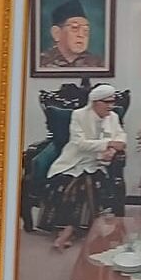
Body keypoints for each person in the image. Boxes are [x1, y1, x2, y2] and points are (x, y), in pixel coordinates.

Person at [40, 83, 127, 249]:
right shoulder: (78, 115)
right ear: (95, 102)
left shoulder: (113, 117)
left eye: (112, 101)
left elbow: (121, 137)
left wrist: (112, 151)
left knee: (89, 183)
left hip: (97, 163)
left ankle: (68, 231)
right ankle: (68, 229)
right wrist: (108, 144)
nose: (111, 106)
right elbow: (79, 144)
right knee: (68, 186)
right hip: (74, 161)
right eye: (107, 102)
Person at [39, 0, 102, 70]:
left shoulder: (98, 64)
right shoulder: (40, 62)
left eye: (86, 30)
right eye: (75, 28)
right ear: (56, 33)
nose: (81, 35)